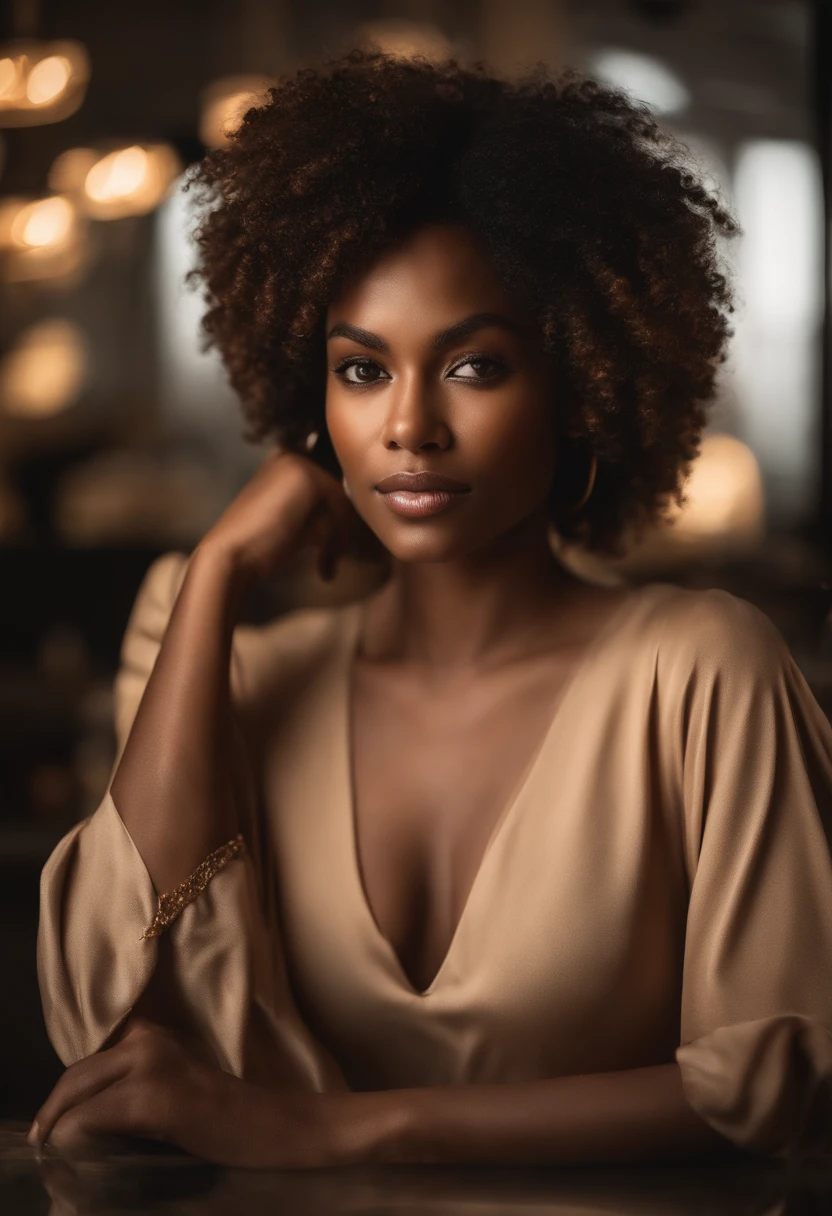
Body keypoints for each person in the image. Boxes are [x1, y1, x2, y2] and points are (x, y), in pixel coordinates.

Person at [31, 49, 832, 1167]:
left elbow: (766, 1082)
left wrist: (333, 1128)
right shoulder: (228, 665)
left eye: (475, 366)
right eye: (362, 370)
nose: (409, 425)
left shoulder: (698, 673)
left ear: (582, 386)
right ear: (310, 403)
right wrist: (212, 571)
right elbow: (110, 1023)